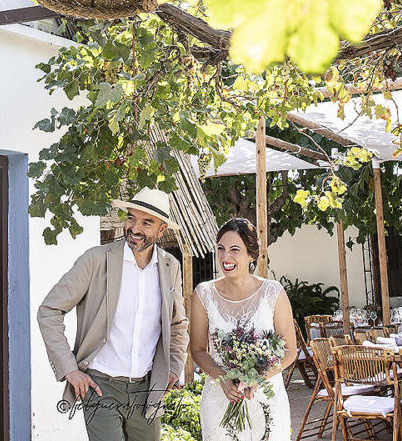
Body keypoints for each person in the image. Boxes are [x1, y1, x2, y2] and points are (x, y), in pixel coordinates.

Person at [37, 187, 189, 441]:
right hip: (101, 387)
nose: (135, 228)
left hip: (147, 388)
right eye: (131, 218)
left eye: (146, 222)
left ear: (162, 230)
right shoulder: (96, 260)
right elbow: (49, 310)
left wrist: (174, 367)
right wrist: (70, 369)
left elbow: (177, 323)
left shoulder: (170, 266)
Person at [190, 218, 296, 441]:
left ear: (251, 255)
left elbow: (289, 351)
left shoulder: (272, 292)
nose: (225, 257)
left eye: (234, 250)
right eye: (221, 249)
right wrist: (223, 379)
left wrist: (257, 377)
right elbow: (198, 350)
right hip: (220, 399)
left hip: (266, 402)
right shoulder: (203, 294)